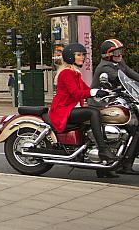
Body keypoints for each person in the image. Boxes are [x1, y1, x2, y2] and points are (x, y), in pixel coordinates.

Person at [49, 43, 118, 178]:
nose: (82, 57)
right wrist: (94, 92)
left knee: (101, 113)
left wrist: (108, 91)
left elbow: (86, 90)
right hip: (62, 111)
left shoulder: (75, 73)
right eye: (79, 55)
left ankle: (102, 167)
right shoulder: (66, 73)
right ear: (70, 57)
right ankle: (103, 151)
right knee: (93, 112)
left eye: (83, 55)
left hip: (71, 109)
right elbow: (75, 93)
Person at [92, 39, 139, 174]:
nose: (120, 54)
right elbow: (122, 81)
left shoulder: (120, 63)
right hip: (101, 103)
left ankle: (124, 163)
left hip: (114, 100)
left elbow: (132, 75)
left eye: (121, 51)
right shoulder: (105, 67)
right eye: (116, 52)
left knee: (134, 128)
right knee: (132, 127)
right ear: (107, 54)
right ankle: (120, 163)